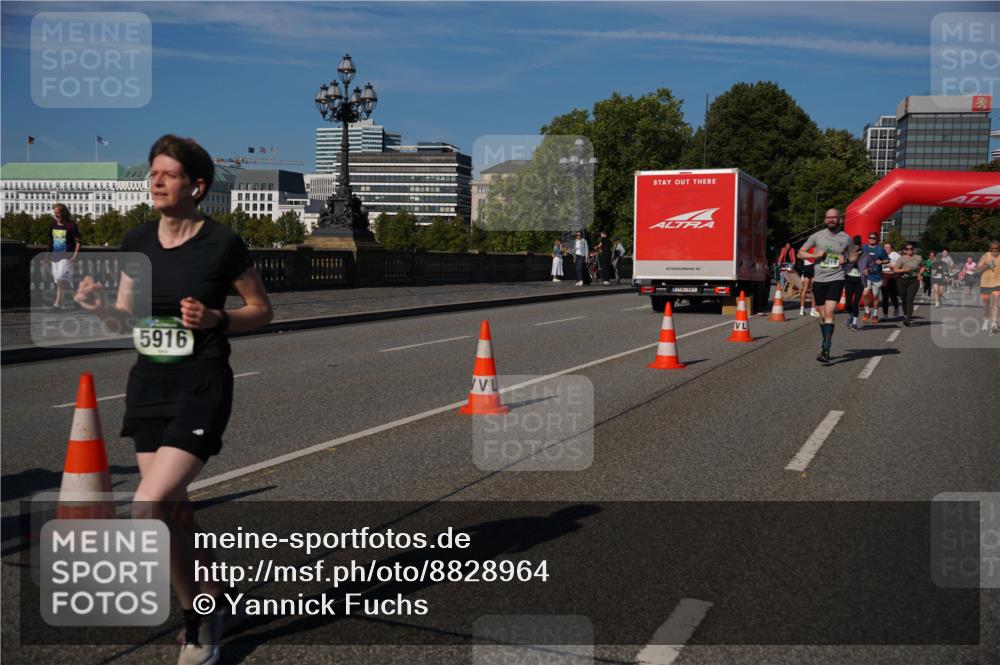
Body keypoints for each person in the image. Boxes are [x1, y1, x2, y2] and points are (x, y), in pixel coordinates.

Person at [74, 135, 274, 665]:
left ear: (197, 186)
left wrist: (217, 318)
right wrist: (97, 307)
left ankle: (198, 621)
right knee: (174, 510)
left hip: (201, 383)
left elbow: (262, 309)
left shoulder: (221, 243)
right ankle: (215, 597)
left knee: (149, 505)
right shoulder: (135, 240)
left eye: (167, 174)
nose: (155, 181)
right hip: (149, 384)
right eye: (152, 173)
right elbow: (124, 318)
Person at [798, 208, 851, 363]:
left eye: (834, 217)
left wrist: (846, 259)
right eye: (828, 218)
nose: (831, 220)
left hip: (837, 278)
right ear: (825, 220)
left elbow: (854, 254)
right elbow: (801, 253)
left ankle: (826, 349)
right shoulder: (816, 236)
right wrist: (815, 255)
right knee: (821, 315)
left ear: (840, 220)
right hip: (819, 279)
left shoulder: (846, 238)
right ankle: (826, 342)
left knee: (829, 313)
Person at [48, 202, 82, 311]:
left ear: (64, 213)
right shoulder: (53, 225)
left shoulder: (71, 225)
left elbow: (78, 242)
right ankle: (76, 299)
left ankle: (57, 305)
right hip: (55, 257)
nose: (56, 216)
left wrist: (75, 256)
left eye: (58, 213)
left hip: (67, 257)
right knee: (60, 281)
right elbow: (50, 241)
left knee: (61, 279)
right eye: (55, 214)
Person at [860, 232, 888, 325]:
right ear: (868, 238)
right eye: (870, 237)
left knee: (875, 296)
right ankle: (867, 311)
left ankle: (875, 314)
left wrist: (882, 261)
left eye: (874, 238)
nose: (872, 239)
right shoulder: (864, 248)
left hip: (877, 275)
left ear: (877, 239)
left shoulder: (880, 249)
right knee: (865, 294)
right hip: (866, 275)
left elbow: (887, 260)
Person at [894, 243, 924, 326]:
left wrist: (919, 274)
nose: (909, 250)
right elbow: (895, 270)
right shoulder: (901, 258)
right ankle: (906, 315)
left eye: (911, 249)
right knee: (904, 300)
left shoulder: (918, 258)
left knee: (910, 299)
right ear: (904, 250)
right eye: (907, 249)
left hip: (914, 281)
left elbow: (923, 266)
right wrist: (904, 270)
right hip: (902, 281)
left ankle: (908, 318)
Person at [975, 240, 1000, 333]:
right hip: (985, 283)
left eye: (997, 249)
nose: (995, 250)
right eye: (993, 249)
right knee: (986, 304)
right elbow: (977, 270)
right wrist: (987, 265)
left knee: (996, 301)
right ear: (990, 249)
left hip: (997, 283)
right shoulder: (985, 256)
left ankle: (994, 323)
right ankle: (986, 321)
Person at [843, 237, 864, 331]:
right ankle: (851, 314)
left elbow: (871, 265)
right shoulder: (847, 254)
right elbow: (843, 263)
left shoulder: (865, 255)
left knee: (856, 303)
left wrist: (869, 270)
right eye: (853, 245)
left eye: (857, 245)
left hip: (860, 281)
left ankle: (854, 323)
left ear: (860, 245)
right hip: (848, 280)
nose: (855, 246)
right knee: (848, 304)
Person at [881, 241, 901, 320]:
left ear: (891, 248)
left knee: (893, 296)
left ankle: (896, 309)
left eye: (888, 247)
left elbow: (899, 266)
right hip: (884, 277)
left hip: (893, 277)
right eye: (885, 247)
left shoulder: (896, 255)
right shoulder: (881, 255)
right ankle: (885, 315)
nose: (886, 249)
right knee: (885, 297)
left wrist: (891, 266)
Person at [798, 248, 817, 317]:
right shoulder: (817, 246)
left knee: (804, 289)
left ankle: (801, 310)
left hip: (806, 267)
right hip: (813, 266)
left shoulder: (806, 247)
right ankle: (813, 310)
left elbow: (800, 256)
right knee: (814, 290)